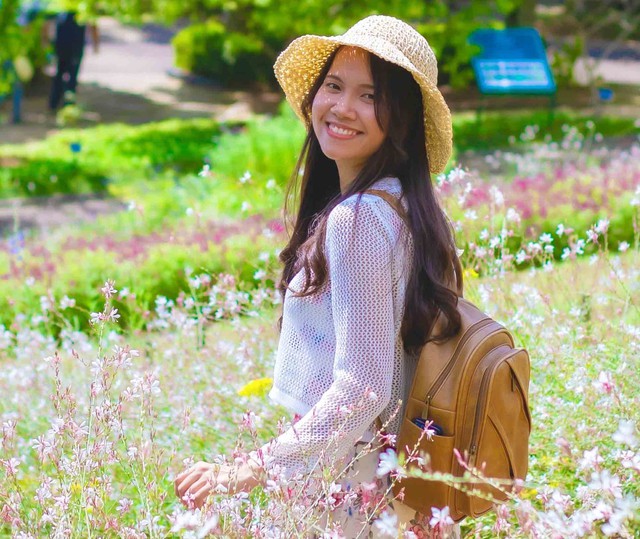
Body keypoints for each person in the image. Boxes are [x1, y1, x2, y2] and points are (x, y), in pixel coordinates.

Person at [175, 15, 463, 537]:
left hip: (354, 491)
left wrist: (246, 470)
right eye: (333, 86)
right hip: (406, 484)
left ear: (400, 118)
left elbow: (363, 387)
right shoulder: (406, 208)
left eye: (369, 96)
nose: (342, 108)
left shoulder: (357, 222)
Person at [48, 11, 99, 110]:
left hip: (65, 46)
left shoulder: (69, 8)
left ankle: (59, 103)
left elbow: (48, 23)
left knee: (62, 75)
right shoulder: (79, 7)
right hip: (71, 47)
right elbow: (93, 25)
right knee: (69, 76)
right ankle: (64, 104)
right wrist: (95, 44)